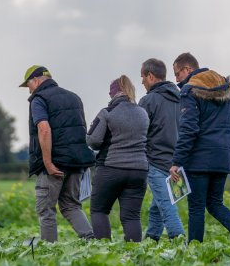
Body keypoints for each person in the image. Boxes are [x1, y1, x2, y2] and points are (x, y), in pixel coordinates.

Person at [168, 52, 230, 243]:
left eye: (177, 74)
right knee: (215, 203)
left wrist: (177, 161)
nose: (176, 80)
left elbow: (189, 129)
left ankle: (195, 250)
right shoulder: (227, 90)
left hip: (198, 160)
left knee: (197, 207)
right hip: (222, 158)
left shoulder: (190, 90)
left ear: (188, 69)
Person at [20, 65, 95, 242]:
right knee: (71, 205)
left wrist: (47, 163)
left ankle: (49, 252)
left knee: (46, 210)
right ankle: (91, 241)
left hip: (54, 164)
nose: (28, 91)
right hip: (76, 162)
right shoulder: (74, 97)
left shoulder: (38, 99)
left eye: (28, 85)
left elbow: (44, 129)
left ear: (36, 80)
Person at [86, 75, 149, 241]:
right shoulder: (143, 113)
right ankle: (135, 256)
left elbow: (93, 140)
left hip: (111, 168)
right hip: (139, 170)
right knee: (132, 217)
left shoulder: (107, 112)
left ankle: (105, 252)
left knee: (99, 210)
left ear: (114, 93)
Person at [138, 58, 185, 241]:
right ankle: (151, 238)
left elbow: (139, 130)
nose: (141, 81)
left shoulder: (148, 100)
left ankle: (180, 241)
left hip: (156, 161)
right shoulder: (181, 98)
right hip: (177, 163)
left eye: (142, 77)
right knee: (158, 205)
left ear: (150, 76)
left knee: (166, 205)